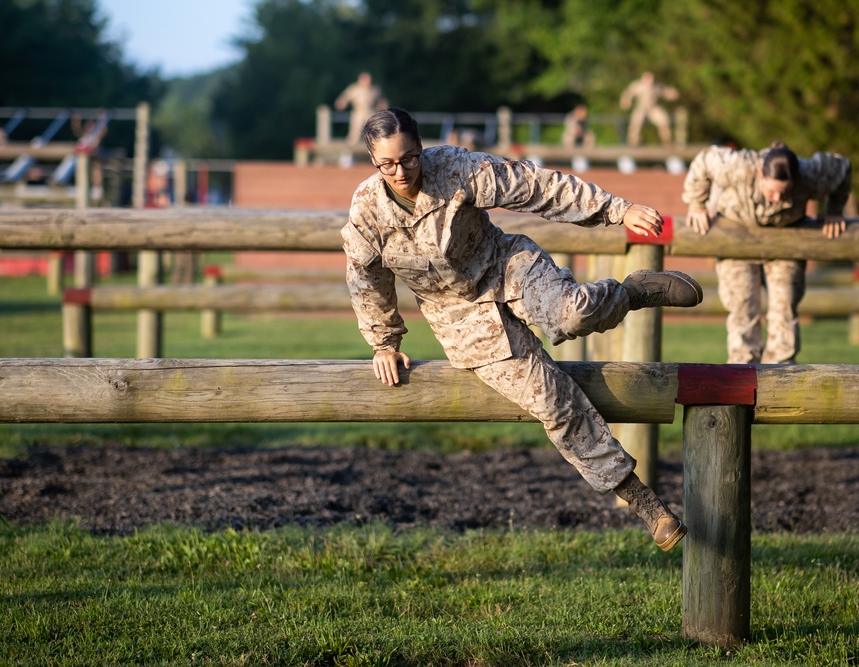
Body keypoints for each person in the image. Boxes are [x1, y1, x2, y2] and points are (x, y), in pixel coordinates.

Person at [343, 108, 704, 551]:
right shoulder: (366, 211)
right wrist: (384, 342)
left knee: (574, 313)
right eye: (388, 164)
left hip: (505, 265)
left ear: (421, 148)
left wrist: (616, 209)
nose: (402, 171)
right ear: (372, 161)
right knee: (552, 401)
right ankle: (649, 506)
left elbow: (536, 187)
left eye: (410, 158)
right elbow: (367, 277)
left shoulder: (456, 169)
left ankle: (632, 293)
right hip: (459, 316)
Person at [683, 142, 852, 364]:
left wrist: (834, 211)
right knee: (743, 309)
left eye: (784, 192)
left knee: (784, 311)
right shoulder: (738, 167)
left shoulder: (811, 173)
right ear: (761, 174)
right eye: (771, 191)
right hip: (737, 238)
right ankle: (741, 374)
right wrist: (697, 204)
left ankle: (781, 375)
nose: (776, 198)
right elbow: (704, 159)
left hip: (785, 242)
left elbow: (842, 168)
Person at [619, 72, 679, 146]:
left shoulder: (657, 86)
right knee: (636, 122)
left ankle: (667, 141)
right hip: (641, 107)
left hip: (653, 108)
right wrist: (625, 101)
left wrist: (672, 94)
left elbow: (666, 91)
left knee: (663, 120)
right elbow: (628, 93)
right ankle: (634, 142)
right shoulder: (638, 86)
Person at [335, 72, 389, 146]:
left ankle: (374, 145)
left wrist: (383, 107)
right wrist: (342, 102)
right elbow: (345, 97)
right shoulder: (354, 89)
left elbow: (382, 100)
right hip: (358, 112)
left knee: (373, 129)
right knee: (355, 131)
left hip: (370, 111)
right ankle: (352, 146)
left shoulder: (375, 89)